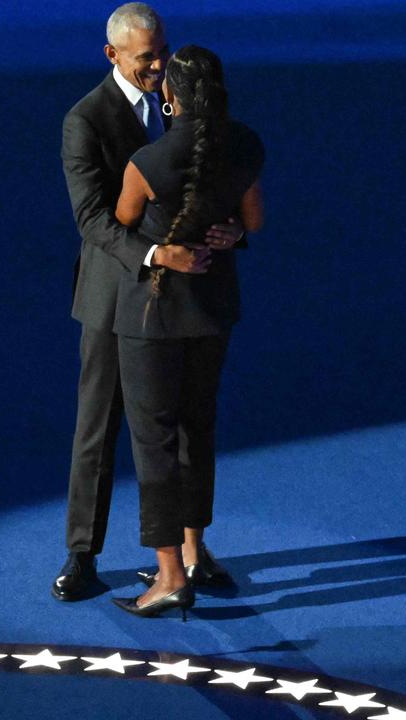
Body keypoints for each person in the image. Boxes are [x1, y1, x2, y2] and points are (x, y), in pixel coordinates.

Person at [54, 2, 242, 601]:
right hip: (115, 298)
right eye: (146, 58)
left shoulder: (187, 106)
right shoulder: (85, 121)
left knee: (188, 423)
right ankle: (83, 553)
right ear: (111, 55)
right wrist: (156, 254)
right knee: (98, 427)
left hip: (185, 299)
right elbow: (92, 222)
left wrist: (234, 229)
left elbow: (223, 187)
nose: (159, 65)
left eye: (162, 52)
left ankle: (190, 550)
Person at [108, 44, 264, 618]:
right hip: (213, 312)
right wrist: (228, 235)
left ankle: (169, 573)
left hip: (151, 319)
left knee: (154, 440)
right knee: (199, 428)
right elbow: (253, 222)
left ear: (170, 96)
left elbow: (122, 221)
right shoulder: (246, 145)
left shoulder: (148, 163)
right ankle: (196, 552)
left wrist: (159, 248)